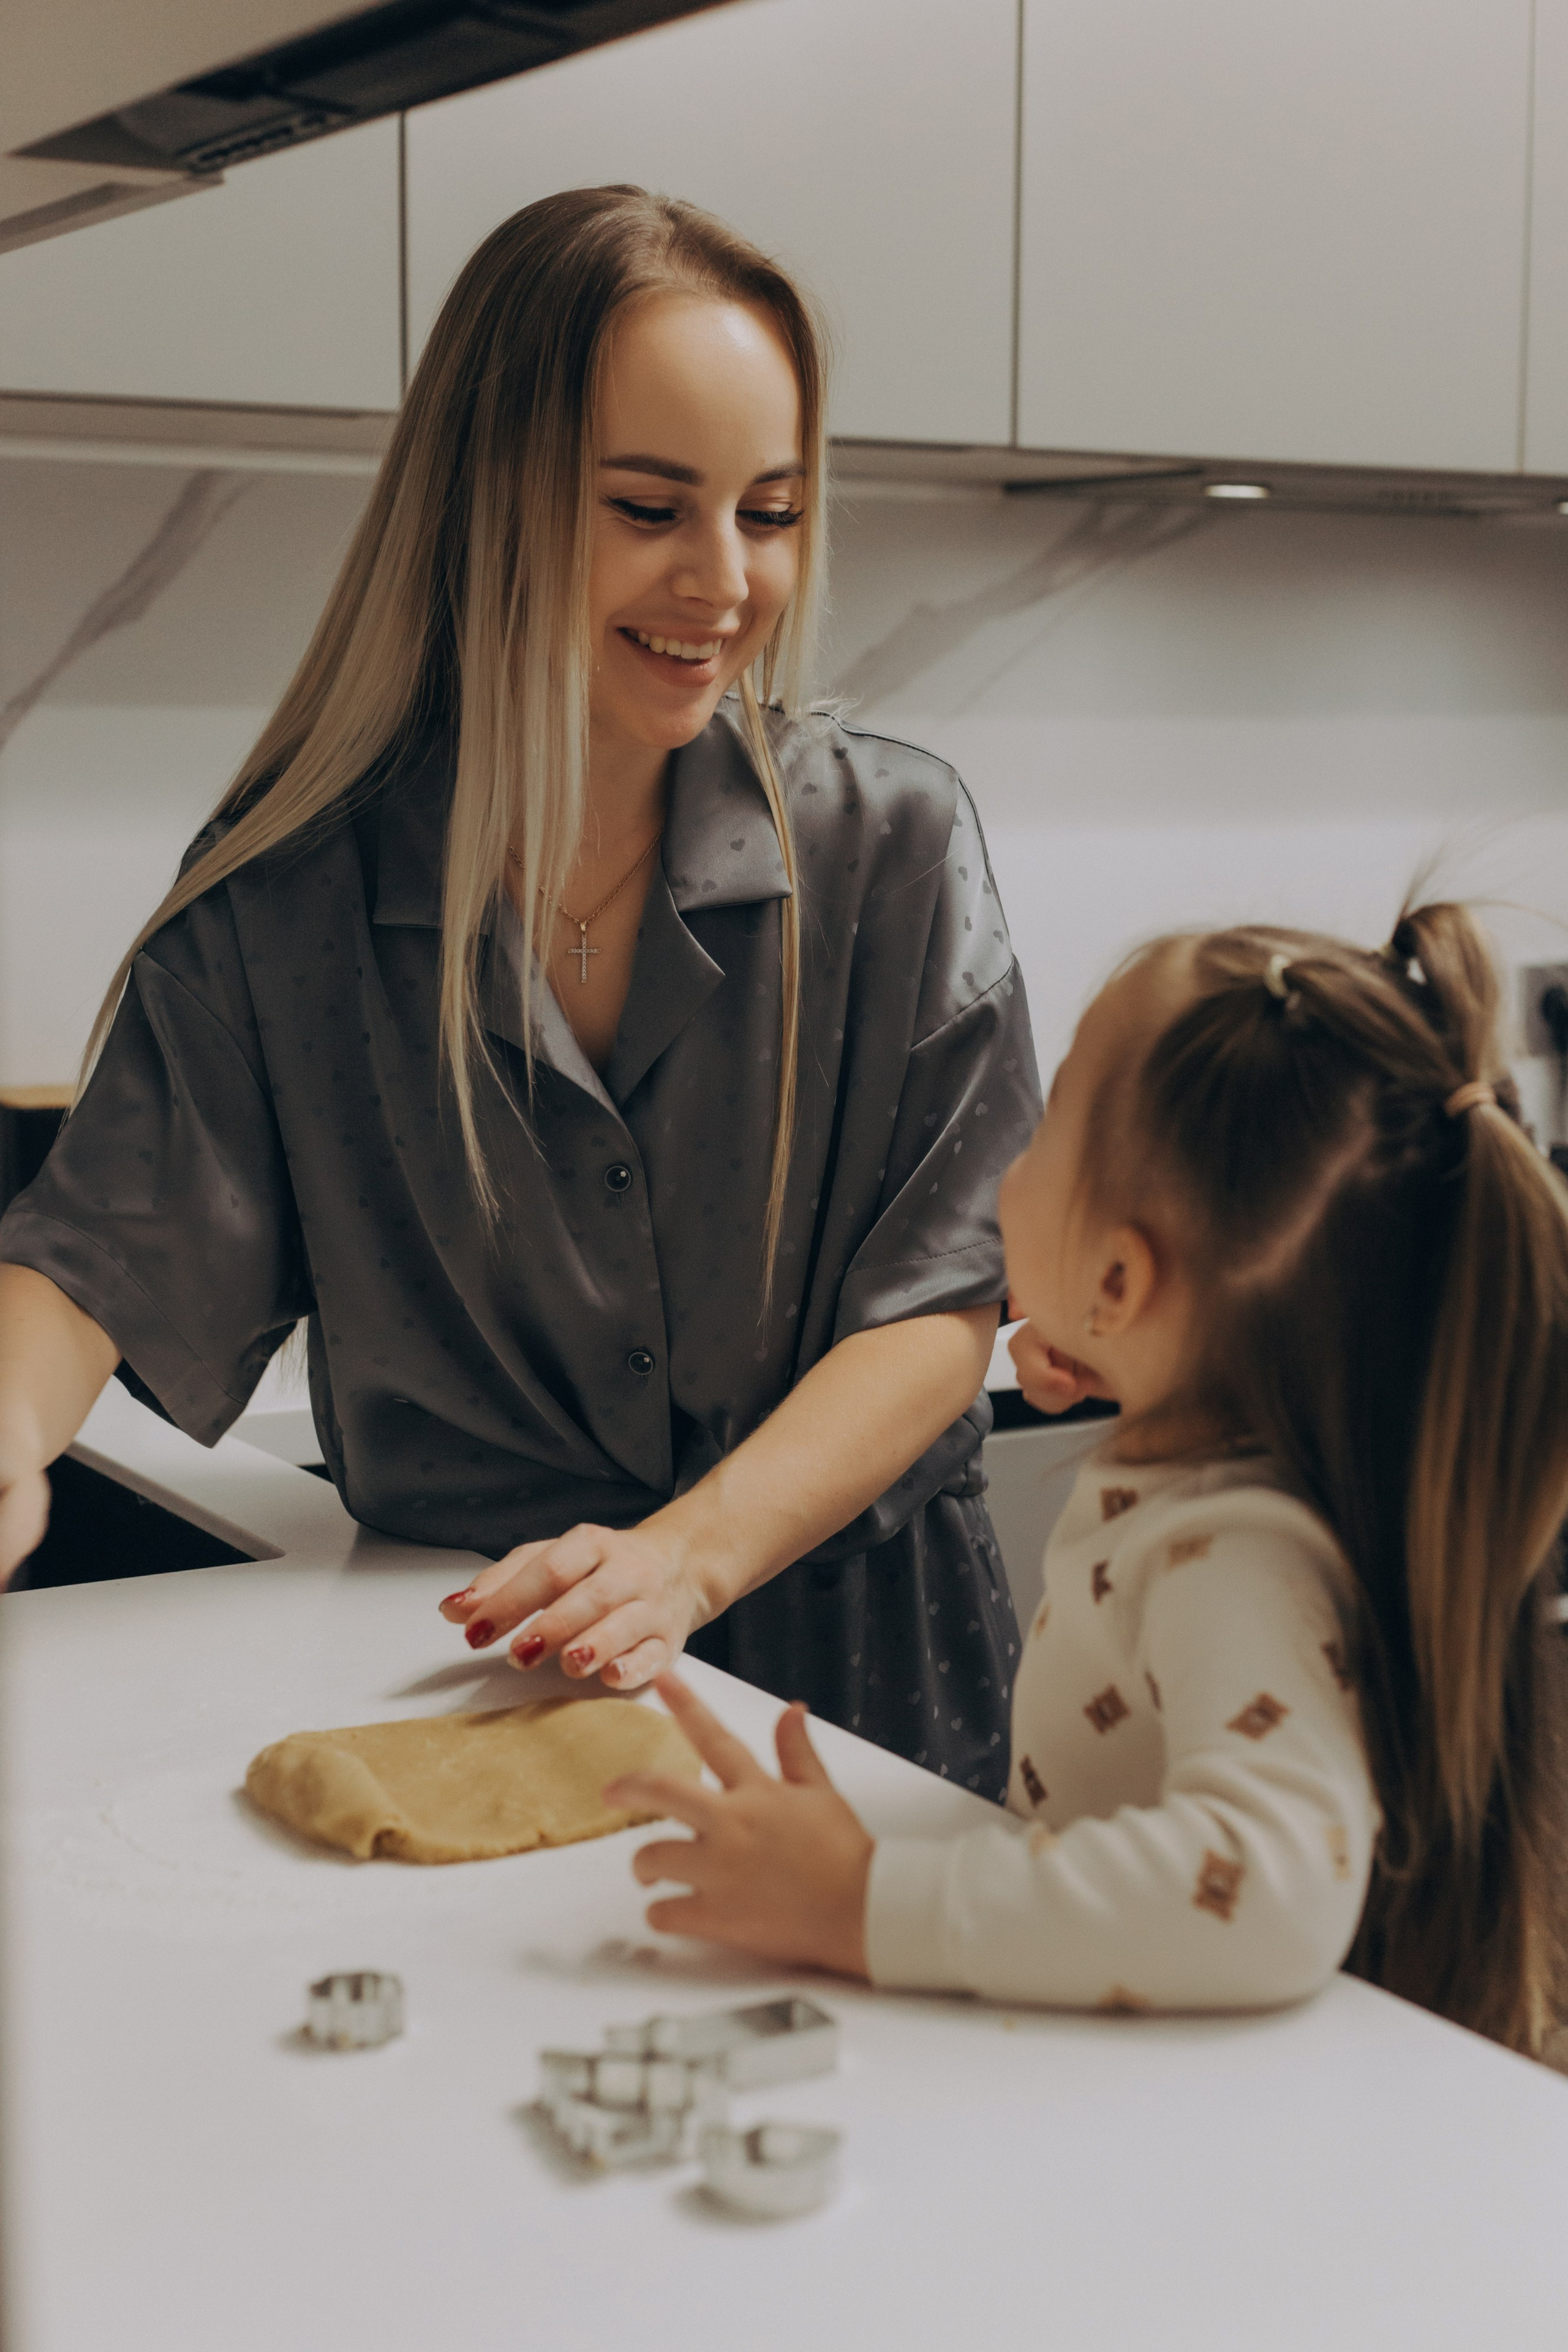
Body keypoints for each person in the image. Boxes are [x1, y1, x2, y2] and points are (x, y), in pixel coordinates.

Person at [0, 187, 1042, 1796]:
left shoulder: (894, 848)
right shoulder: (294, 890)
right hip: (488, 1693)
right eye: (649, 507)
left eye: (768, 513)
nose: (722, 581)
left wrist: (691, 1559)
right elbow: (101, 1258)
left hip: (863, 1709)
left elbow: (939, 1306)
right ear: (487, 500)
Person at [607, 902, 1568, 2057]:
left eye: (1048, 1125)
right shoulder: (1221, 1456)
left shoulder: (1234, 1561)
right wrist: (1128, 1363)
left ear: (1121, 1280)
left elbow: (1270, 1891)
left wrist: (868, 1905)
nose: (1012, 1165)